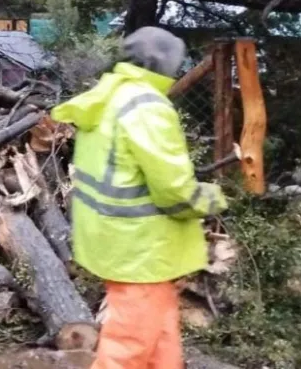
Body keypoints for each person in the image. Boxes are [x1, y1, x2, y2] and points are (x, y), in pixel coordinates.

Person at [50, 26, 227, 369]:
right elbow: (174, 191)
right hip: (141, 249)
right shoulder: (147, 107)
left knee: (160, 338)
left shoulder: (109, 96)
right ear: (166, 64)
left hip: (115, 240)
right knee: (129, 347)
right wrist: (212, 198)